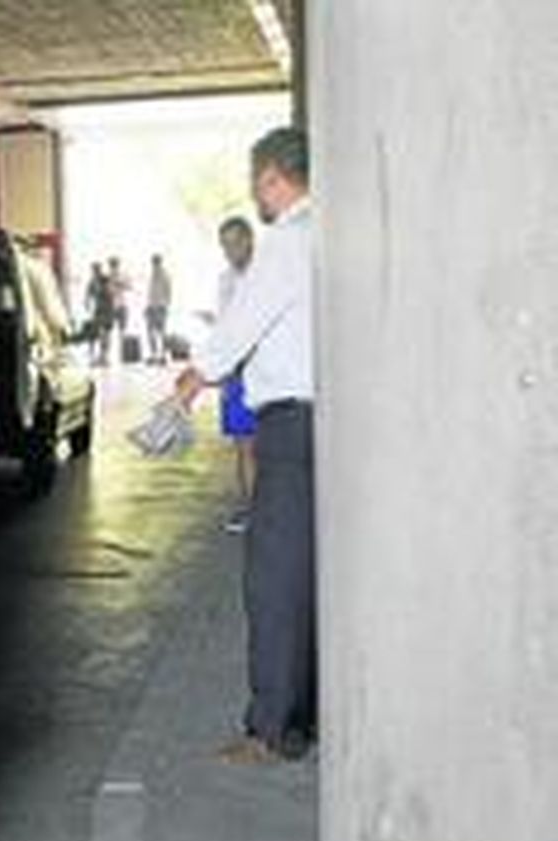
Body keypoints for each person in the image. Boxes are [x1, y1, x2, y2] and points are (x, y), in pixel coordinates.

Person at [174, 126, 315, 764]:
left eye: (256, 181)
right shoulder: (327, 232)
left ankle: (271, 729)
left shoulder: (287, 242)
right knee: (310, 576)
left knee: (274, 580)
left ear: (271, 178)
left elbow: (241, 325)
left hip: (291, 426)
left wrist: (193, 376)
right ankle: (304, 715)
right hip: (328, 425)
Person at [214, 217, 257, 533]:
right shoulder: (225, 280)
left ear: (250, 239)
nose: (231, 250)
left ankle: (262, 510)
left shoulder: (266, 276)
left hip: (266, 372)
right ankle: (249, 508)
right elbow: (225, 328)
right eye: (225, 244)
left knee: (264, 447)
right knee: (243, 445)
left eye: (236, 242)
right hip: (236, 375)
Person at [144, 253, 172, 365]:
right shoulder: (152, 275)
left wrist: (165, 305)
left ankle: (163, 355)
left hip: (160, 306)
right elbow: (151, 293)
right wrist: (148, 306)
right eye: (153, 262)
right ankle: (154, 354)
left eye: (156, 262)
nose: (154, 264)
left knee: (161, 332)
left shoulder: (164, 275)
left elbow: (168, 292)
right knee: (150, 331)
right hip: (152, 306)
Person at [84, 261, 114, 365]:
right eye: (94, 269)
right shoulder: (93, 282)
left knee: (104, 334)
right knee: (97, 334)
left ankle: (103, 356)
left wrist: (88, 302)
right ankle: (98, 356)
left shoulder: (104, 280)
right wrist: (87, 303)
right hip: (100, 311)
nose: (95, 271)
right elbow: (88, 294)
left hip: (105, 311)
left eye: (96, 269)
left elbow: (110, 295)